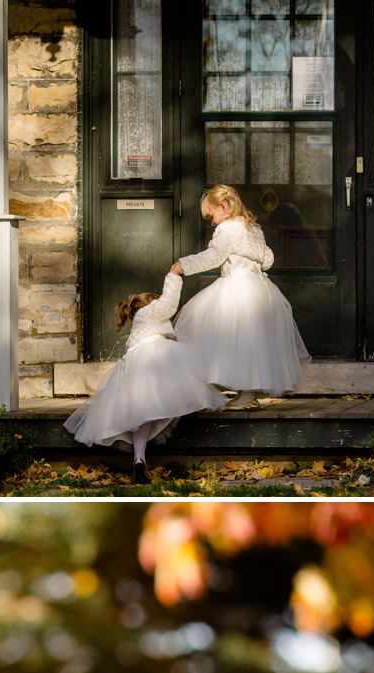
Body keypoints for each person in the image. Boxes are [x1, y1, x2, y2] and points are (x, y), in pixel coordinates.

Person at [64, 273, 224, 479]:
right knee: (179, 383)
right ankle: (202, 400)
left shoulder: (137, 325)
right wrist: (174, 276)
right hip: (154, 360)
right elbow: (169, 304)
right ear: (150, 305)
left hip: (134, 368)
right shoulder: (148, 313)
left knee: (141, 415)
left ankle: (139, 458)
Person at [170, 185, 308, 395]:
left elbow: (213, 257)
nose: (211, 222)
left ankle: (233, 387)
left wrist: (183, 265)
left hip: (236, 287)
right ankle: (248, 391)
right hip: (260, 289)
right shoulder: (254, 229)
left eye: (211, 216)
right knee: (252, 342)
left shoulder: (227, 229)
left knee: (226, 335)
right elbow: (268, 259)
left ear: (223, 207)